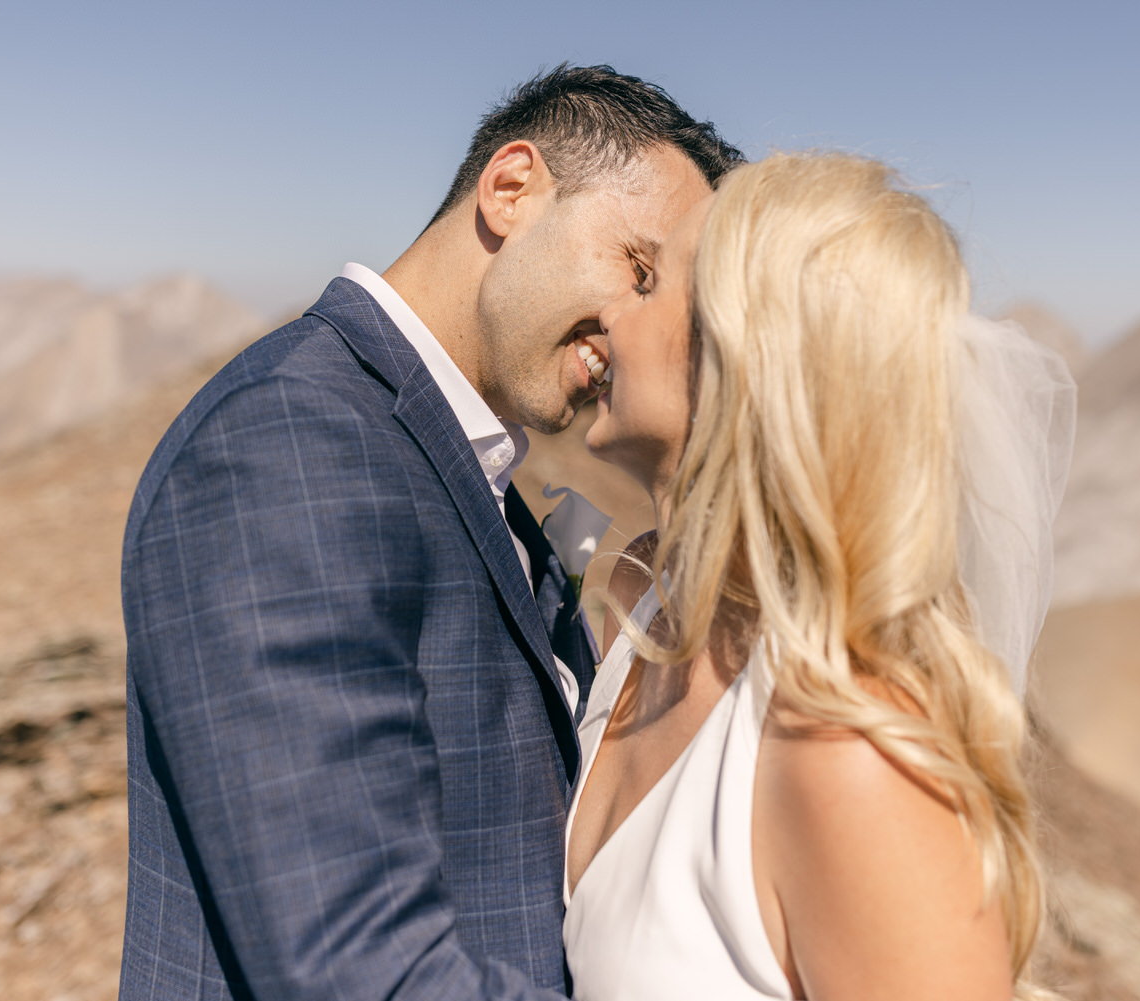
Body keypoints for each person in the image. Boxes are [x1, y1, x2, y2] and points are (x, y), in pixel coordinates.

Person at [118, 65, 743, 1000]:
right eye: (638, 268)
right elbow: (358, 968)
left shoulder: (465, 462)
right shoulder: (290, 441)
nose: (631, 329)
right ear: (512, 188)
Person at [563, 152, 1075, 1000]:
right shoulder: (641, 619)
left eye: (649, 284)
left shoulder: (849, 754)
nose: (609, 311)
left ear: (740, 354)